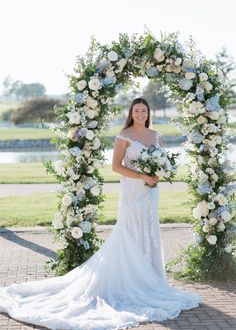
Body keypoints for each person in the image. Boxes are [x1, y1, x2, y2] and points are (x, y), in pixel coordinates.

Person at [0, 97, 202, 330]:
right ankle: (131, 279)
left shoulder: (155, 135)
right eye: (136, 110)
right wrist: (142, 176)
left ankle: (152, 279)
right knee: (130, 229)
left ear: (148, 113)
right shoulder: (123, 136)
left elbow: (161, 162)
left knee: (149, 229)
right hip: (133, 191)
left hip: (150, 192)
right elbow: (116, 167)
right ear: (131, 113)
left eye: (144, 110)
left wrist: (159, 172)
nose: (140, 114)